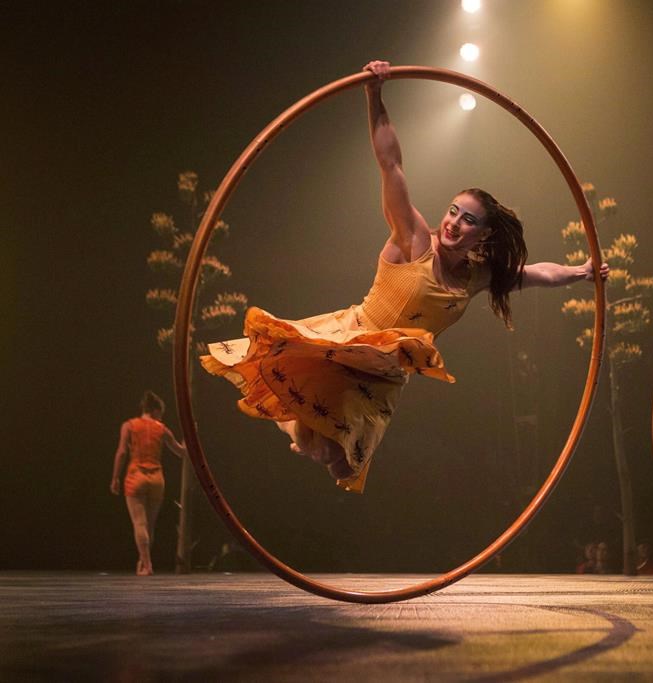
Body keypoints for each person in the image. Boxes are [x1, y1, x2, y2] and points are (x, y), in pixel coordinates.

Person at [201, 60, 607, 492]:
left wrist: (583, 271)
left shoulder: (478, 276)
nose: (454, 223)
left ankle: (301, 432)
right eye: (453, 211)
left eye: (468, 220)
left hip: (385, 376)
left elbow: (537, 274)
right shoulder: (414, 239)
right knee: (310, 433)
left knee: (340, 467)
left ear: (484, 234)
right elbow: (390, 163)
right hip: (350, 343)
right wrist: (374, 94)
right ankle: (292, 421)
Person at [110, 390, 186, 575]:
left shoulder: (129, 426)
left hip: (136, 476)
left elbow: (122, 452)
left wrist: (115, 477)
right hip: (156, 479)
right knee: (149, 525)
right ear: (155, 410)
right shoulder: (162, 429)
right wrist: (188, 440)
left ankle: (147, 564)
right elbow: (181, 452)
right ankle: (143, 562)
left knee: (139, 523)